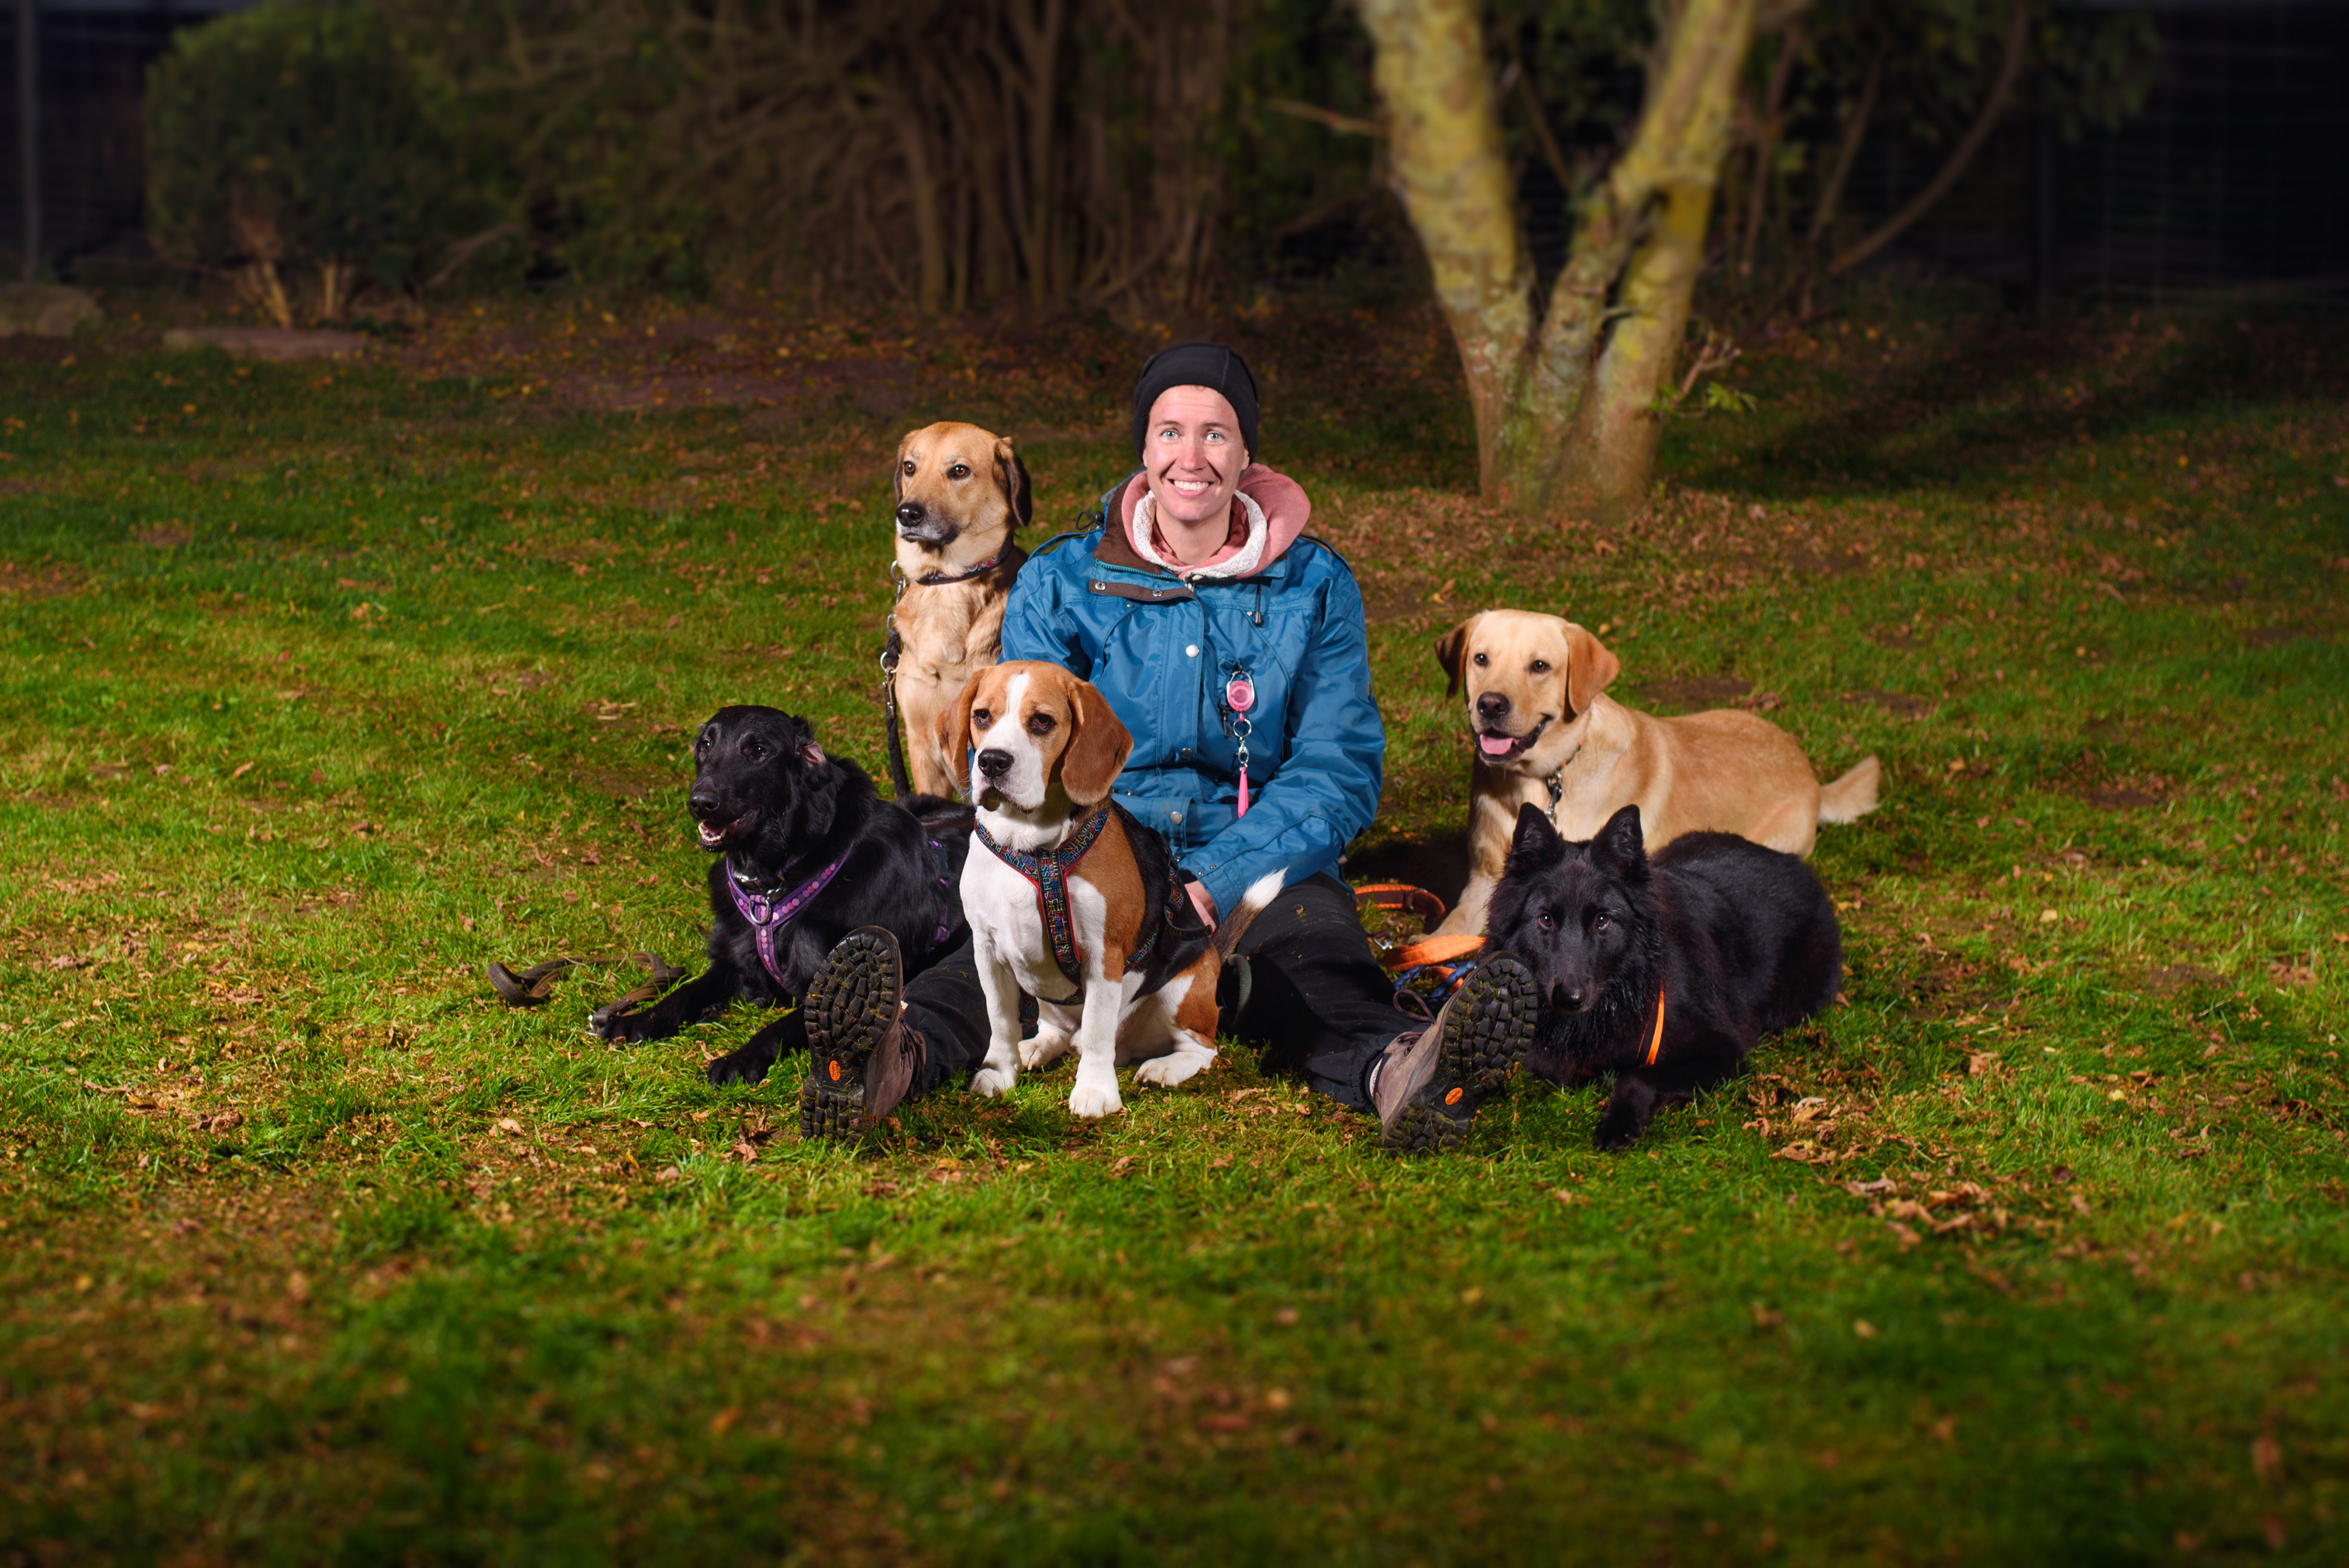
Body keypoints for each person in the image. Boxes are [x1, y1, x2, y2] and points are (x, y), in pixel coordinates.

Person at [790, 343, 1535, 1153]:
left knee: (1320, 958)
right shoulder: (1061, 579)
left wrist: (1217, 878)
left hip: (1255, 853)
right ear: (1144, 448)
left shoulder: (1315, 584)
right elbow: (1023, 749)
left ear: (1246, 455)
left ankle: (1405, 1072)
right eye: (1170, 432)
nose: (1191, 455)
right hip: (1091, 849)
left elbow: (1338, 770)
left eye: (1216, 434)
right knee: (989, 959)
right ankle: (887, 1063)